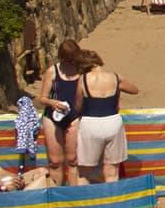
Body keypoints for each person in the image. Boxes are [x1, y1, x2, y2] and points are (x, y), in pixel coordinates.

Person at [74, 50, 138, 184]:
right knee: (111, 170)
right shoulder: (115, 77)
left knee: (84, 172)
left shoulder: (83, 80)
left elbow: (78, 106)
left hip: (90, 122)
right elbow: (134, 90)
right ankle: (111, 202)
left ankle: (84, 202)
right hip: (112, 122)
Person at [39, 39, 84, 186]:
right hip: (53, 116)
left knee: (72, 159)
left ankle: (73, 194)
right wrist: (54, 103)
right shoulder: (52, 71)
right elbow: (42, 98)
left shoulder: (81, 71)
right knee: (55, 161)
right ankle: (56, 193)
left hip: (74, 116)